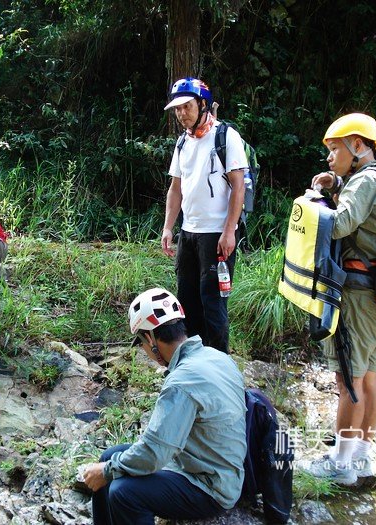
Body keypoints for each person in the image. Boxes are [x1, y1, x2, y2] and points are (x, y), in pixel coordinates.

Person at [82, 287, 246, 525]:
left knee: (123, 492)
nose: (144, 349)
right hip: (209, 466)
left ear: (150, 339)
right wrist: (109, 466)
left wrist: (107, 471)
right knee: (110, 456)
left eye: (141, 343)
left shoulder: (181, 382)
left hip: (210, 487)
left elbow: (154, 453)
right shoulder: (217, 358)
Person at [304, 113, 376, 485]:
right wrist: (337, 181)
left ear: (358, 146)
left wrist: (312, 202)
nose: (329, 157)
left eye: (334, 148)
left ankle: (340, 466)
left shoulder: (365, 181)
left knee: (348, 380)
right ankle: (361, 458)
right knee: (370, 377)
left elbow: (339, 224)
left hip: (358, 297)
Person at [161, 78, 248, 353]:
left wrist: (229, 231)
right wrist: (168, 227)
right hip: (189, 233)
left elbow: (238, 186)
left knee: (213, 303)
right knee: (186, 301)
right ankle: (193, 361)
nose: (181, 113)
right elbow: (176, 188)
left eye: (186, 106)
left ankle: (219, 362)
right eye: (177, 109)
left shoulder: (226, 136)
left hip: (216, 235)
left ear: (202, 104)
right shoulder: (182, 142)